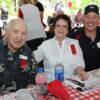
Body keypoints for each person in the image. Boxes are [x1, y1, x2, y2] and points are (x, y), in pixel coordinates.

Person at [33, 14, 88, 82]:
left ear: (68, 30)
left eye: (64, 26)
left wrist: (80, 70)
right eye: (58, 26)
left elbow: (78, 61)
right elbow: (32, 59)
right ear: (54, 28)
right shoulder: (45, 45)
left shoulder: (74, 43)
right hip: (51, 84)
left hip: (71, 83)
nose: (61, 28)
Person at [0, 18, 37, 94]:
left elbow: (33, 73)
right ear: (6, 33)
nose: (19, 37)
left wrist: (31, 85)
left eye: (23, 33)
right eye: (16, 32)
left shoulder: (28, 52)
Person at [69, 4, 100, 71]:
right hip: (80, 77)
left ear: (98, 19)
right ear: (83, 19)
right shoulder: (74, 37)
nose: (90, 20)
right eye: (87, 17)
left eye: (94, 17)